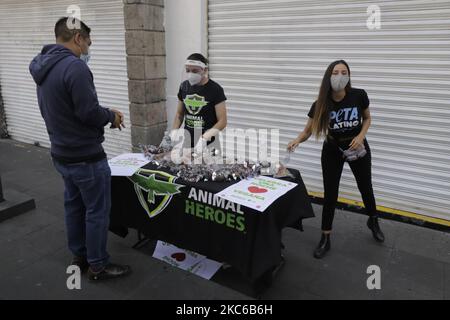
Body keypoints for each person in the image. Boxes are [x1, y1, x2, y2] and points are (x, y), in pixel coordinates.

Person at [29, 17, 131, 280]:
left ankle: (80, 255)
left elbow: (61, 108)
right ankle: (98, 265)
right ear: (78, 38)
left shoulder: (43, 66)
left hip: (62, 153)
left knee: (74, 206)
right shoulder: (74, 67)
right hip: (85, 156)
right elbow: (86, 111)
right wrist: (111, 116)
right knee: (97, 211)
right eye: (88, 43)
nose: (88, 49)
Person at [287, 60, 385, 259]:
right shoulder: (321, 103)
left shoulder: (359, 95)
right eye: (335, 72)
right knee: (330, 193)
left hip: (356, 147)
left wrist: (360, 137)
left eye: (343, 72)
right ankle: (325, 236)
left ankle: (373, 220)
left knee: (365, 187)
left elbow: (367, 118)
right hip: (332, 148)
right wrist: (297, 140)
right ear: (328, 76)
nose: (339, 76)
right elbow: (308, 130)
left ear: (348, 76)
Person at [172, 53, 227, 156]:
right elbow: (179, 114)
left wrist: (204, 138)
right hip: (188, 142)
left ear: (204, 70)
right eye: (188, 70)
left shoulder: (215, 89)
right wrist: (174, 132)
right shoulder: (184, 87)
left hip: (209, 143)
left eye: (195, 71)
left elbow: (222, 121)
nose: (190, 74)